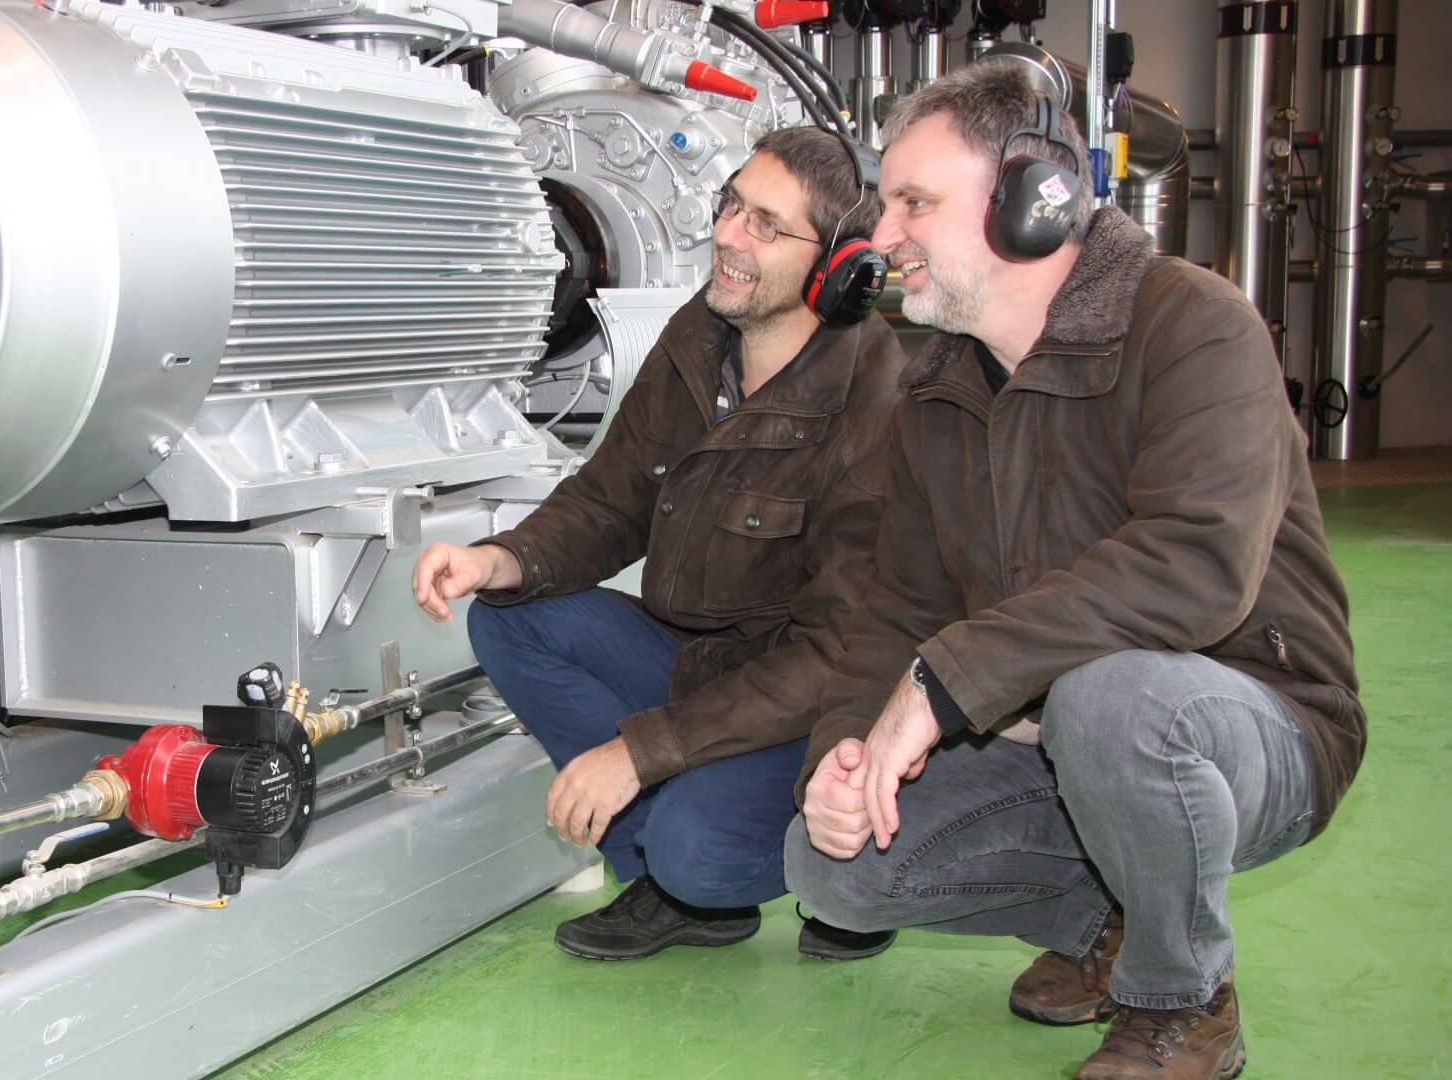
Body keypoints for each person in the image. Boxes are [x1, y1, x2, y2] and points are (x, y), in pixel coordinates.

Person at [783, 63, 1364, 1080]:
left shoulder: (1193, 324)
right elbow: (898, 607)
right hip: (1064, 737)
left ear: (1030, 201)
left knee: (1115, 696)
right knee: (832, 867)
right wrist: (838, 752)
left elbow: (1194, 567)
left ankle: (1182, 1000)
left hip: (1254, 722)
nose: (882, 238)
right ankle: (1117, 917)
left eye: (914, 202)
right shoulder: (939, 392)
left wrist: (943, 680)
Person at [409, 125, 908, 961]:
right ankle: (668, 881)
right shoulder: (700, 334)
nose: (726, 235)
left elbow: (835, 653)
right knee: (510, 614)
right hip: (703, 662)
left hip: (814, 704)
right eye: (730, 207)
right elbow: (612, 499)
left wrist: (638, 752)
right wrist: (499, 557)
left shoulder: (875, 404)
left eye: (764, 225)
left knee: (698, 851)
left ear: (837, 270)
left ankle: (827, 867)